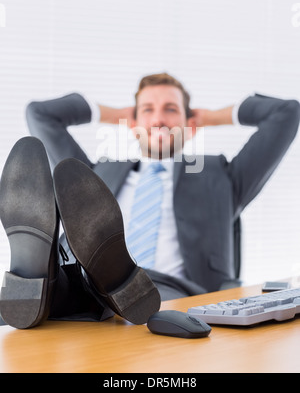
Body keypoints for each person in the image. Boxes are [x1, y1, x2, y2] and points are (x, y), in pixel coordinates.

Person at [0, 73, 299, 329]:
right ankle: (43, 275)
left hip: (173, 291)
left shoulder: (223, 176)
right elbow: (40, 114)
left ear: (189, 124)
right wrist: (117, 115)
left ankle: (74, 278)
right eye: (148, 110)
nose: (158, 118)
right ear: (132, 123)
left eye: (170, 110)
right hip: (86, 283)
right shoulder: (94, 174)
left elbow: (286, 113)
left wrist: (209, 117)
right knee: (64, 288)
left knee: (115, 286)